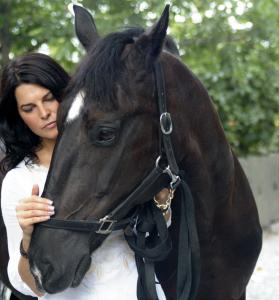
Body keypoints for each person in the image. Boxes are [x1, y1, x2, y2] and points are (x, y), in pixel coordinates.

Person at [0, 53, 172, 300]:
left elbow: (156, 233)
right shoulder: (19, 181)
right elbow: (36, 287)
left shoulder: (112, 157)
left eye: (49, 99)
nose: (44, 113)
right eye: (29, 108)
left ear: (67, 94)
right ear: (19, 117)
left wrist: (161, 200)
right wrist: (28, 237)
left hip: (138, 291)